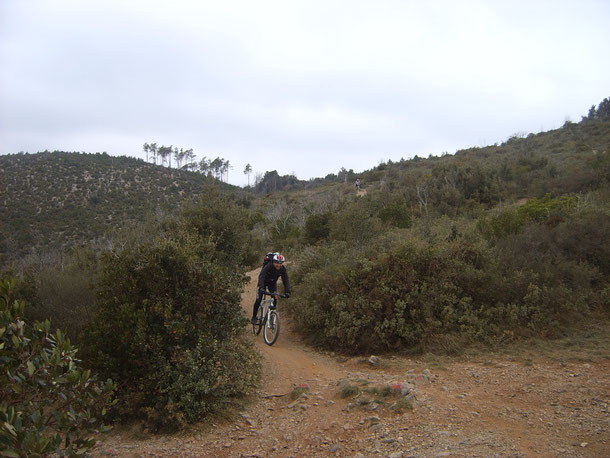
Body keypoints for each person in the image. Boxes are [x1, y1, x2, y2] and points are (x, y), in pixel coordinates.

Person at [251, 253, 291, 324]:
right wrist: (261, 287)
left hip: (272, 283)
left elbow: (286, 280)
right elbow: (262, 276)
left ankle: (272, 316)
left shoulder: (283, 269)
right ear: (273, 262)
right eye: (276, 263)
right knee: (258, 300)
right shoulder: (268, 266)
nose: (278, 265)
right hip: (263, 282)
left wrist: (287, 291)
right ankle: (254, 317)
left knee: (275, 298)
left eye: (280, 263)